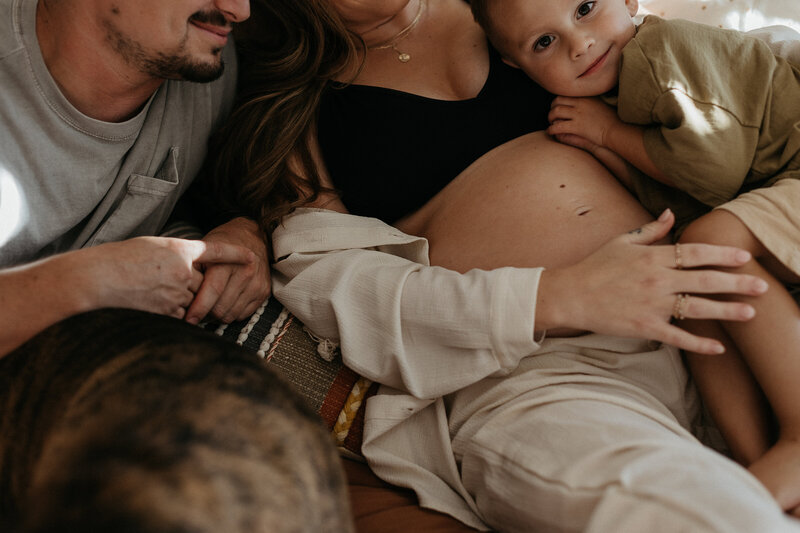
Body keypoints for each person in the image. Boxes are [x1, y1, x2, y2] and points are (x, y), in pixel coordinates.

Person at [207, 0, 800, 531]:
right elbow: (336, 287)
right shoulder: (294, 103)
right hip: (541, 370)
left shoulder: (533, 11)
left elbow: (722, 76)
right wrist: (558, 296)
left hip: (718, 312)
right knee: (672, 510)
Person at [0, 0, 352, 530]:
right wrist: (90, 281)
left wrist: (240, 234)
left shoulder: (207, 68)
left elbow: (163, 201)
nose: (239, 9)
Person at [469, 0, 800, 513]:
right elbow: (681, 194)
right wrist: (614, 157)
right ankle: (755, 464)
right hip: (774, 197)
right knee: (687, 292)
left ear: (627, 0)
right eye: (544, 42)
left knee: (710, 241)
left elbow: (713, 170)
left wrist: (609, 135)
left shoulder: (665, 49)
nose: (578, 44)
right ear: (515, 66)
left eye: (584, 8)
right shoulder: (620, 90)